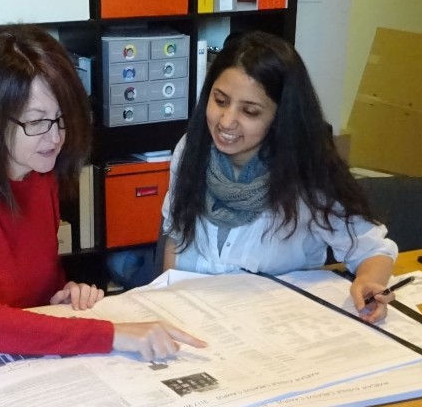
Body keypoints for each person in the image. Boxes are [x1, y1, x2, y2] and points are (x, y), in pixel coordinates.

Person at [0, 25, 206, 360]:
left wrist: (62, 293)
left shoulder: (40, 173)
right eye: (36, 122)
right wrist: (110, 334)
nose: (54, 138)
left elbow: (32, 286)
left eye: (61, 118)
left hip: (6, 355)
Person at [161, 31, 399, 323]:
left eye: (249, 111)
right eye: (220, 100)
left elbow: (372, 249)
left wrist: (370, 282)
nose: (226, 121)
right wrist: (165, 306)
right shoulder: (191, 147)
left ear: (281, 116)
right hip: (193, 319)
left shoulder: (309, 171)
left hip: (272, 329)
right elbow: (176, 235)